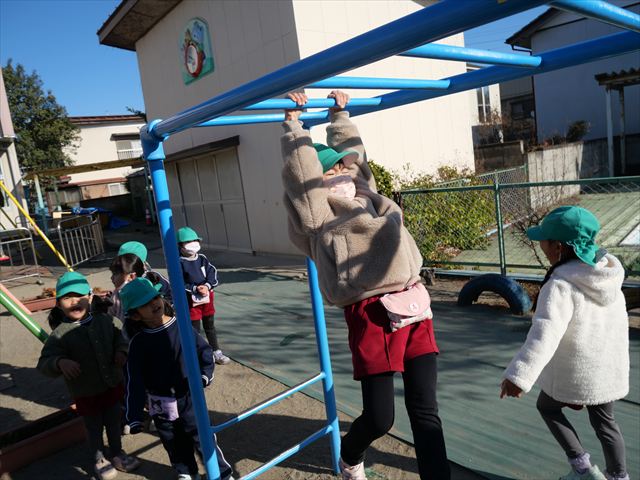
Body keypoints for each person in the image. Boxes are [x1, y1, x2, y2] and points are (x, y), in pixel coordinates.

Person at [281, 90, 448, 480]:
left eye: (343, 168)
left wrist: (340, 117)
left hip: (413, 303)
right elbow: (301, 179)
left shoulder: (368, 195)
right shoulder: (318, 216)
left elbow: (357, 158)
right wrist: (293, 126)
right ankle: (350, 455)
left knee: (426, 409)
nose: (343, 173)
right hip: (372, 314)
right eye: (331, 171)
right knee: (380, 417)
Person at [500, 206, 629, 480]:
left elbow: (544, 334)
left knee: (547, 407)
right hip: (606, 370)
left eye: (544, 241)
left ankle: (582, 468)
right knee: (606, 423)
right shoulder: (608, 277)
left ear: (558, 247)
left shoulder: (560, 286)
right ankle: (619, 476)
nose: (541, 246)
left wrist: (518, 377)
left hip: (575, 373)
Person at [120, 278, 234, 480]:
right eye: (145, 304)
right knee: (172, 440)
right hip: (160, 401)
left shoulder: (181, 327)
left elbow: (205, 352)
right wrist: (134, 415)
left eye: (154, 298)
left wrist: (204, 376)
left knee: (201, 436)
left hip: (188, 395)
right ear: (136, 315)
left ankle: (221, 473)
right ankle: (186, 472)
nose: (154, 303)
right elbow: (134, 380)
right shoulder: (138, 343)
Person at [37, 271, 140, 480]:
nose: (74, 301)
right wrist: (60, 362)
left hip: (112, 386)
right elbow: (44, 363)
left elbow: (120, 338)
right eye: (67, 297)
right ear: (58, 304)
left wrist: (121, 351)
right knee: (93, 428)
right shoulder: (59, 334)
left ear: (91, 297)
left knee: (114, 422)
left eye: (80, 296)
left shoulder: (106, 320)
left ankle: (117, 452)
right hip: (85, 392)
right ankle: (99, 458)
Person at [177, 227, 230, 365]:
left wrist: (207, 286)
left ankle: (216, 351)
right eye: (188, 241)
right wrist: (194, 288)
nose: (193, 244)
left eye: (195, 240)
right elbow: (179, 282)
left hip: (207, 298)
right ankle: (199, 354)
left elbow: (212, 273)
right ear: (180, 245)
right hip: (191, 302)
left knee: (210, 326)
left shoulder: (202, 258)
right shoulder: (179, 262)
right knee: (195, 329)